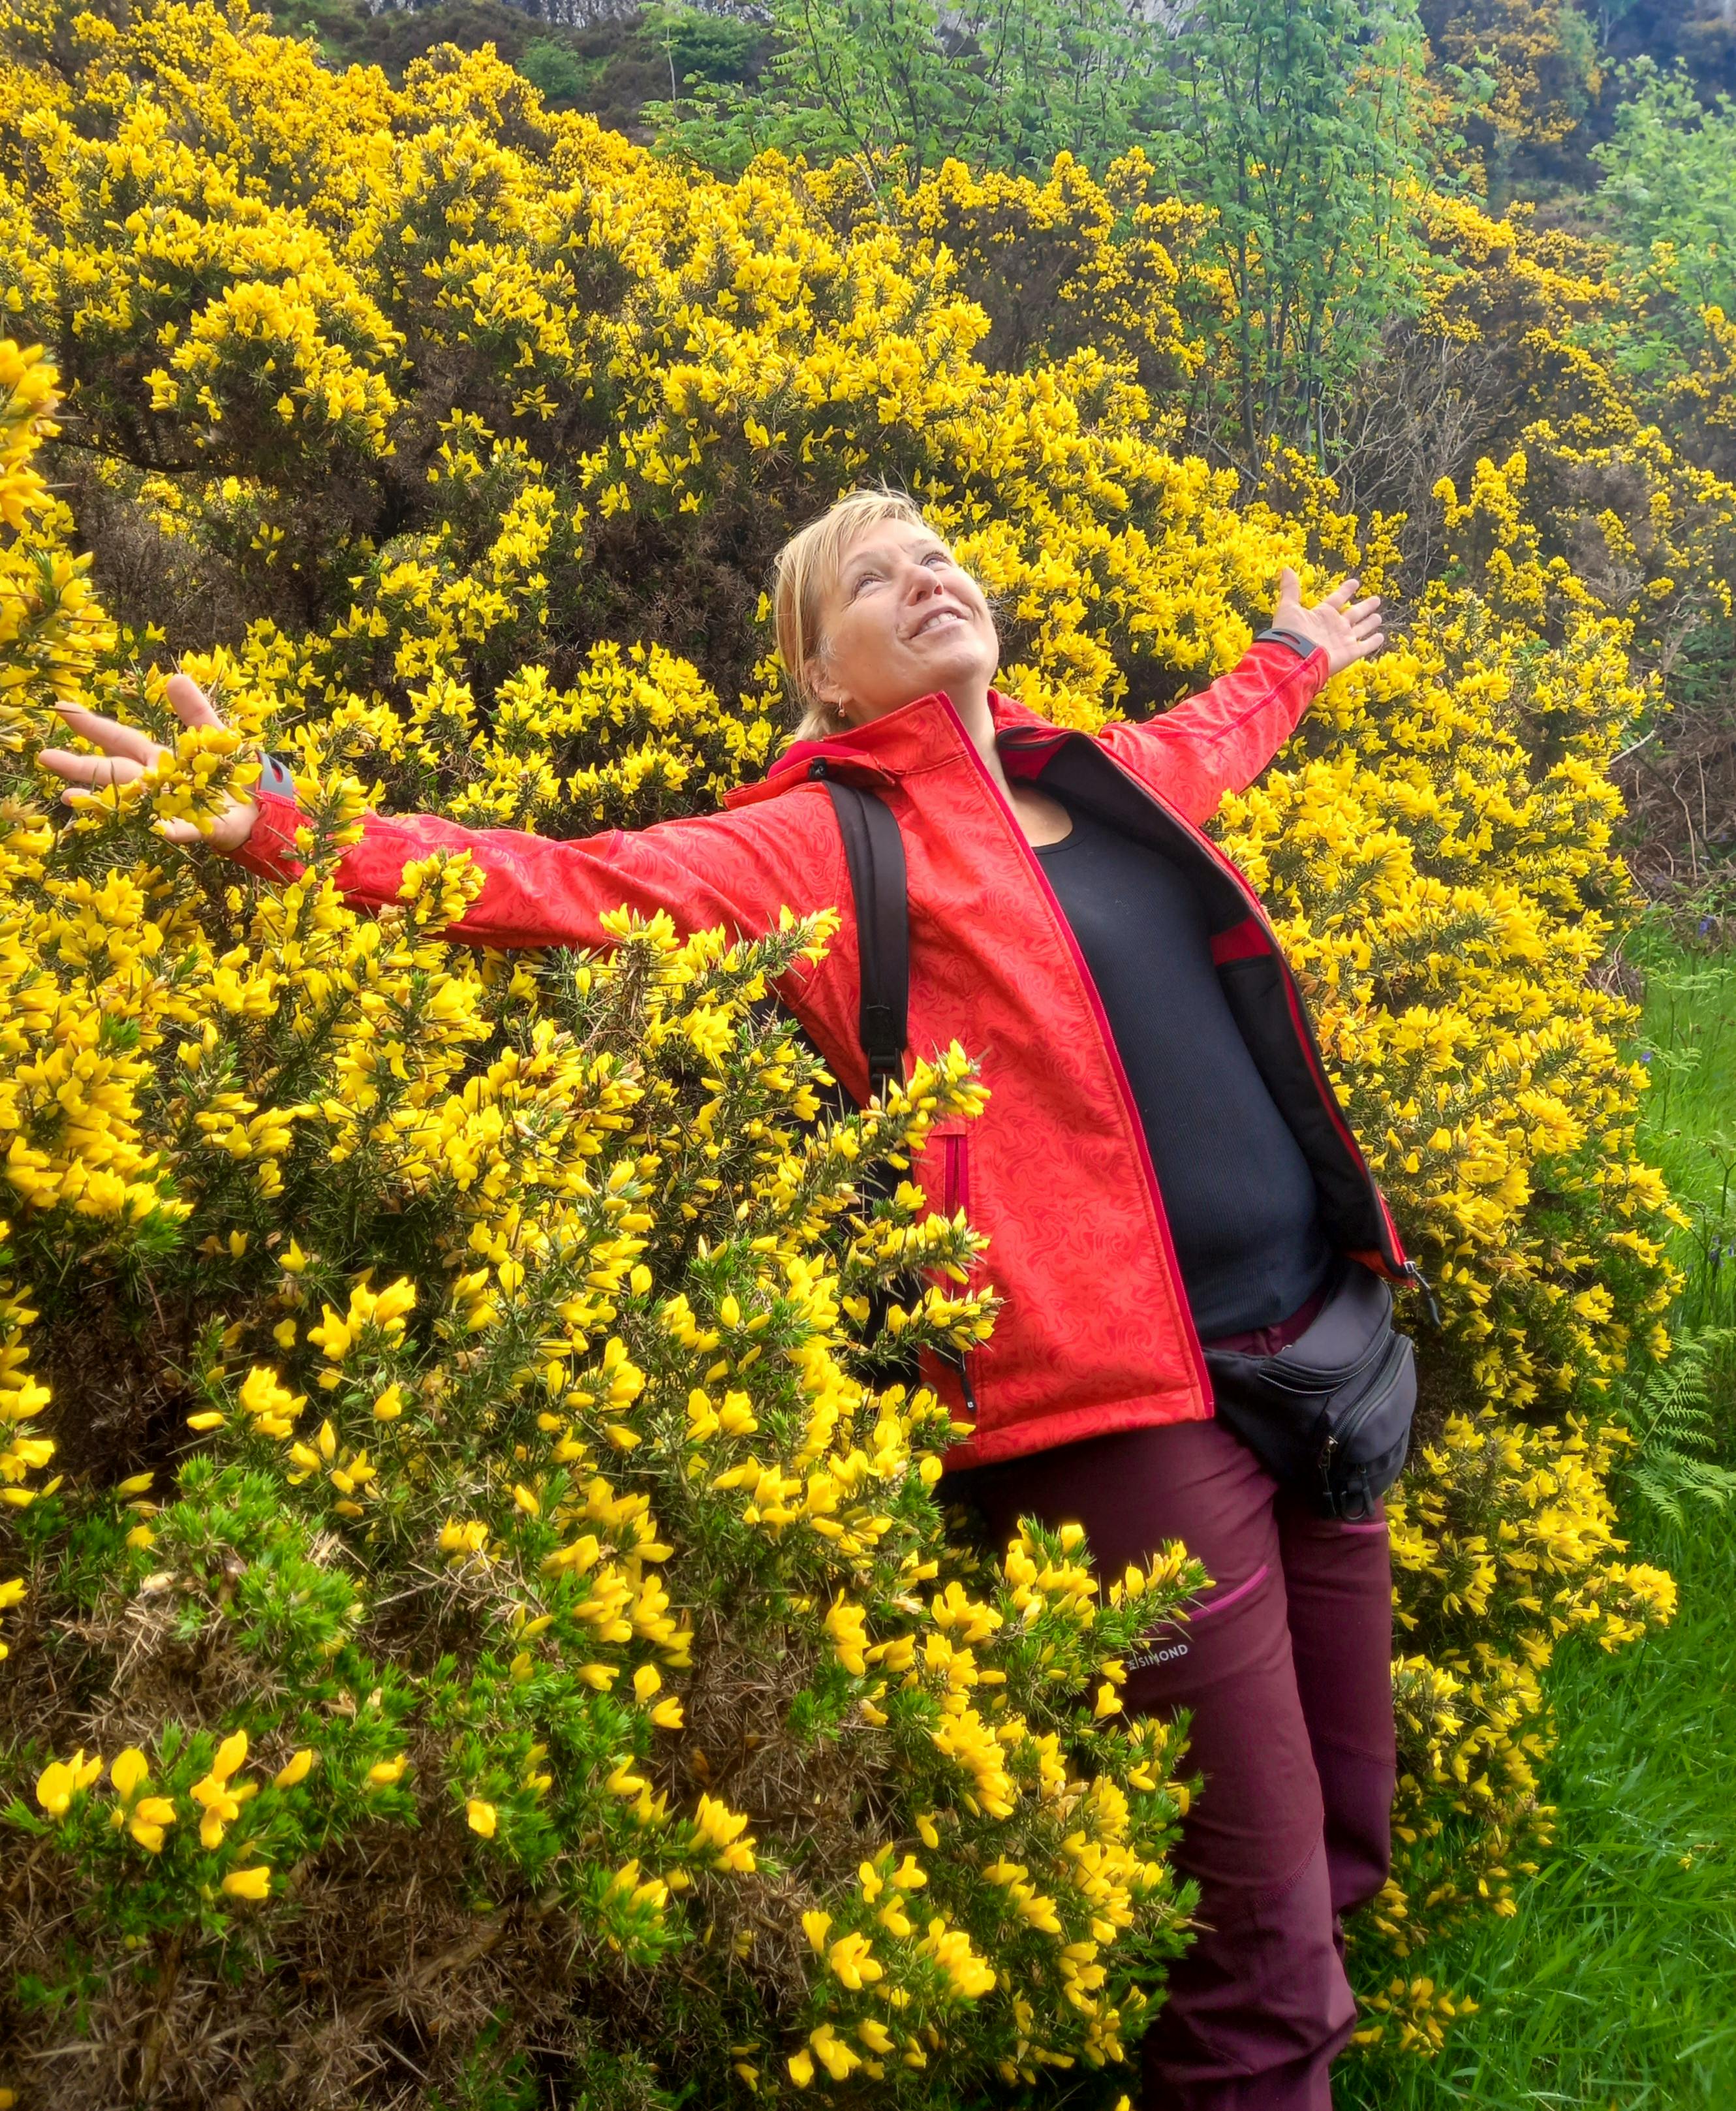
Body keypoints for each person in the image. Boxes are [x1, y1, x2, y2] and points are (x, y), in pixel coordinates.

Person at [42, 489, 1399, 2110]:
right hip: (1113, 1410)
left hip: (1317, 1339)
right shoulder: (815, 840)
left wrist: (1294, 656)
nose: (925, 579)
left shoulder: (1096, 777)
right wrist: (279, 825)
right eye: (872, 581)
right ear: (824, 675)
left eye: (937, 557)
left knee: (1339, 1836)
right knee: (1251, 1954)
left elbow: (1213, 737)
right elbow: (554, 881)